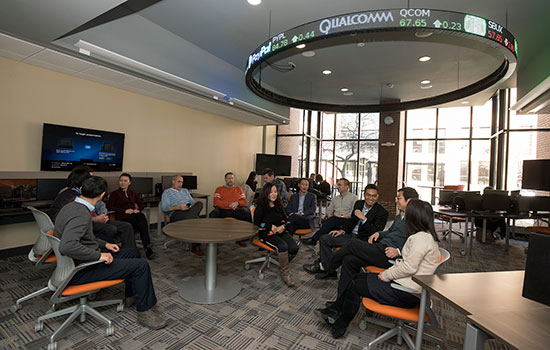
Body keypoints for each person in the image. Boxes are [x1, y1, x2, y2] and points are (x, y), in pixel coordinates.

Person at [314, 199, 441, 339]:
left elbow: (409, 267)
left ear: (415, 217)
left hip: (406, 292)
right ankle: (334, 312)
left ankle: (339, 325)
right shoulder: (425, 236)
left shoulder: (421, 239)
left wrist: (385, 275)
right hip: (405, 284)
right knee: (355, 277)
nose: (405, 217)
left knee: (355, 284)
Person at [54, 176, 166, 329]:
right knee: (141, 266)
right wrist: (99, 255)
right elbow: (67, 246)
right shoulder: (81, 214)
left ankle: (131, 296)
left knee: (132, 253)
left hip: (76, 262)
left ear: (81, 190)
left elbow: (84, 238)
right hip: (81, 269)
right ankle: (145, 312)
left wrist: (105, 244)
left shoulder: (71, 206)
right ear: (101, 195)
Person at [327, 187, 419, 299]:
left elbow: (415, 243)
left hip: (390, 255)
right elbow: (390, 232)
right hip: (381, 247)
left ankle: (327, 265)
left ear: (408, 201)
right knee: (349, 260)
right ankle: (340, 301)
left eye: (399, 198)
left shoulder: (414, 219)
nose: (396, 200)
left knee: (352, 244)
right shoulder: (400, 215)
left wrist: (399, 251)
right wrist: (379, 234)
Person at [303, 184, 389, 280]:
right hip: (349, 235)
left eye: (374, 196)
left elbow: (375, 232)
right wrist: (342, 230)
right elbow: (351, 221)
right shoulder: (359, 204)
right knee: (325, 238)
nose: (371, 198)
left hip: (362, 240)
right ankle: (330, 272)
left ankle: (324, 266)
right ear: (364, 195)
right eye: (368, 195)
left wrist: (364, 219)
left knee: (349, 248)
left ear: (378, 197)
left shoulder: (382, 212)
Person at [48, 168, 136, 250]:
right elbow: (77, 219)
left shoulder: (84, 193)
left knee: (126, 226)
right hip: (80, 224)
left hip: (94, 219)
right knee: (110, 229)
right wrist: (96, 219)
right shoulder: (69, 196)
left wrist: (103, 215)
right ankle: (106, 252)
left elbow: (100, 204)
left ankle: (129, 253)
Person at [254, 183, 299, 287]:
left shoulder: (279, 205)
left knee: (294, 248)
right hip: (267, 233)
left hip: (281, 231)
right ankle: (286, 273)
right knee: (283, 247)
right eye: (271, 192)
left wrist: (283, 226)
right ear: (266, 193)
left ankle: (284, 263)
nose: (274, 194)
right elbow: (256, 224)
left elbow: (287, 220)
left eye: (275, 191)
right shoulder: (261, 207)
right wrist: (269, 226)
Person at [108, 173, 155, 260]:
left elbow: (141, 204)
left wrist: (138, 210)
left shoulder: (132, 193)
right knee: (141, 224)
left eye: (125, 181)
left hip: (134, 215)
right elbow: (110, 207)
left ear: (129, 182)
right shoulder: (114, 194)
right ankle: (147, 247)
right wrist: (124, 211)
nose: (122, 183)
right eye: (121, 181)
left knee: (141, 216)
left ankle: (146, 246)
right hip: (123, 217)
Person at [301, 178, 357, 246]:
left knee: (330, 222)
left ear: (347, 186)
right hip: (334, 220)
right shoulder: (335, 198)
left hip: (347, 221)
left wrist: (341, 216)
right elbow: (329, 210)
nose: (337, 187)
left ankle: (314, 239)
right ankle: (320, 245)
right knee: (329, 223)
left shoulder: (354, 198)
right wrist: (329, 215)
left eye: (339, 185)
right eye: (337, 185)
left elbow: (354, 213)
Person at [161, 175, 204, 256]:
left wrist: (192, 206)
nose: (181, 184)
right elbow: (165, 208)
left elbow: (192, 202)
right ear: (173, 182)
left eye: (182, 182)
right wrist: (179, 207)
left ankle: (191, 217)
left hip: (188, 210)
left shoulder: (185, 190)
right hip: (176, 213)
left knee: (199, 203)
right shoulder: (167, 192)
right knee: (196, 220)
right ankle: (196, 247)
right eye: (179, 182)